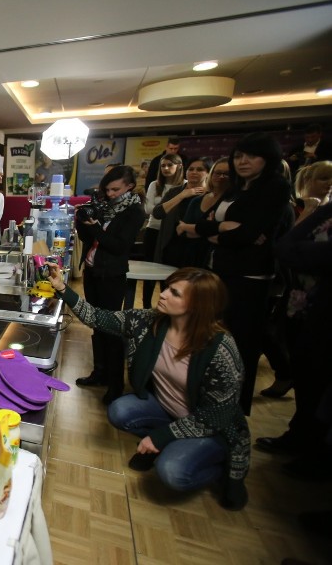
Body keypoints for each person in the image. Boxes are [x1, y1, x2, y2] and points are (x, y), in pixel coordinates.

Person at [46, 264, 250, 510]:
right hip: (168, 410)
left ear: (199, 306)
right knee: (120, 411)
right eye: (167, 289)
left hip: (211, 427)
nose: (162, 294)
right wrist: (61, 288)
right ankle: (169, 441)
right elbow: (100, 318)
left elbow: (218, 414)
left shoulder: (220, 348)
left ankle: (221, 468)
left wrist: (162, 436)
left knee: (172, 472)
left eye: (175, 293)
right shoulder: (149, 321)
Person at [191, 132, 292, 415]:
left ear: (267, 159)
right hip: (219, 271)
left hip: (250, 279)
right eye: (238, 156)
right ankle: (206, 403)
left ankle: (234, 412)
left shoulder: (275, 187)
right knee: (210, 341)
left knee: (240, 347)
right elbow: (203, 225)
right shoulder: (236, 188)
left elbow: (248, 235)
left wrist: (221, 231)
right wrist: (223, 229)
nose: (243, 161)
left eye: (251, 156)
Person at [255, 202, 332, 483]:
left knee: (322, 386)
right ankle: (300, 437)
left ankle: (318, 454)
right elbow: (286, 249)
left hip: (322, 313)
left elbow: (291, 249)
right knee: (307, 378)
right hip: (302, 306)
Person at [73, 165, 146, 404]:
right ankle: (99, 373)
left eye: (115, 189)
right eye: (107, 189)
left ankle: (116, 385)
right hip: (93, 272)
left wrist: (95, 227)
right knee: (96, 325)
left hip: (112, 276)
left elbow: (118, 246)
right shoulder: (104, 207)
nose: (111, 193)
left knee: (112, 330)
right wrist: (83, 223)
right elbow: (89, 239)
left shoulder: (134, 211)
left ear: (129, 187)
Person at [140, 153, 185, 305]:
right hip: (153, 229)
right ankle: (146, 304)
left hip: (172, 232)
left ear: (179, 166)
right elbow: (150, 209)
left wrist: (163, 208)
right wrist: (166, 208)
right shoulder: (155, 184)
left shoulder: (184, 186)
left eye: (169, 165)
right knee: (149, 270)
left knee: (168, 271)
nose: (166, 168)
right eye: (163, 165)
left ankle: (165, 302)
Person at [152, 157, 209, 268]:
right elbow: (157, 213)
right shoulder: (175, 191)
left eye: (199, 169)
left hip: (197, 247)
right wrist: (182, 195)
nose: (194, 172)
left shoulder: (210, 194)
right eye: (191, 169)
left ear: (208, 173)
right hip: (171, 243)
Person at [177, 157, 230, 268]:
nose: (221, 177)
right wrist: (209, 229)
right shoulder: (197, 200)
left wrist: (188, 227)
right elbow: (182, 231)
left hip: (220, 259)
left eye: (227, 174)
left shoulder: (233, 201)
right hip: (192, 256)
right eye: (218, 173)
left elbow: (231, 234)